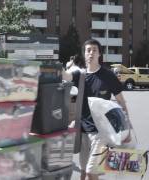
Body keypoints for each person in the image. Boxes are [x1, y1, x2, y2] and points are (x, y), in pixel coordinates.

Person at [63, 39, 129, 180]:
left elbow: (121, 102)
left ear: (99, 54)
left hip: (102, 132)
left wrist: (127, 129)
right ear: (84, 54)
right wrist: (61, 67)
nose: (91, 53)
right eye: (88, 50)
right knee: (83, 172)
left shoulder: (108, 76)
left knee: (91, 172)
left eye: (94, 50)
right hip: (84, 131)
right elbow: (65, 76)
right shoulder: (80, 75)